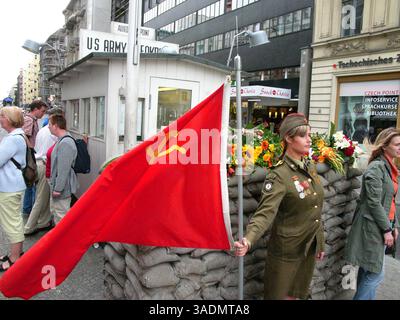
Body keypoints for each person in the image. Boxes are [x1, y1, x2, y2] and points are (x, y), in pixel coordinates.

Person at [234, 113, 325, 300]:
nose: (309, 140)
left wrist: (319, 241)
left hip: (307, 247)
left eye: (310, 135)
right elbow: (265, 213)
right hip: (288, 252)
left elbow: (315, 207)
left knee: (299, 295)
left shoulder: (308, 166)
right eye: (303, 136)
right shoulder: (279, 175)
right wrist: (249, 239)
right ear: (289, 138)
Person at [345, 127, 400, 300]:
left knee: (367, 269)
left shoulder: (390, 168)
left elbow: (389, 199)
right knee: (376, 274)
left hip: (383, 223)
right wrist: (386, 229)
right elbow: (373, 202)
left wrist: (395, 224)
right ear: (385, 146)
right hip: (372, 227)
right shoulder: (377, 168)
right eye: (397, 144)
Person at [23, 108, 64, 235]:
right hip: (45, 165)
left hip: (38, 164)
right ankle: (28, 228)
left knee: (43, 196)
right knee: (41, 198)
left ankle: (44, 222)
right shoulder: (51, 134)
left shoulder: (43, 130)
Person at [0, 107, 26, 271]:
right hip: (13, 184)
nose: (0, 118)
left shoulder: (12, 139)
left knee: (12, 222)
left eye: (2, 115)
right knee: (14, 219)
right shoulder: (19, 135)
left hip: (9, 187)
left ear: (9, 119)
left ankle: (15, 258)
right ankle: (17, 253)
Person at [48, 114, 78, 225]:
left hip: (62, 189)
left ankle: (68, 241)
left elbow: (63, 170)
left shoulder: (66, 142)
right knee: (59, 215)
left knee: (62, 217)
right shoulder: (62, 140)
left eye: (50, 125)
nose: (48, 127)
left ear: (56, 126)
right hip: (59, 187)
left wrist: (58, 189)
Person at [21, 100, 48, 215]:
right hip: (29, 155)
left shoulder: (32, 120)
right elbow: (24, 135)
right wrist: (32, 149)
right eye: (42, 111)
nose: (43, 114)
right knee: (31, 182)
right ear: (35, 109)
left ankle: (28, 209)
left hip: (30, 154)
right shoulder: (29, 120)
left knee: (31, 183)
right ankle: (28, 209)